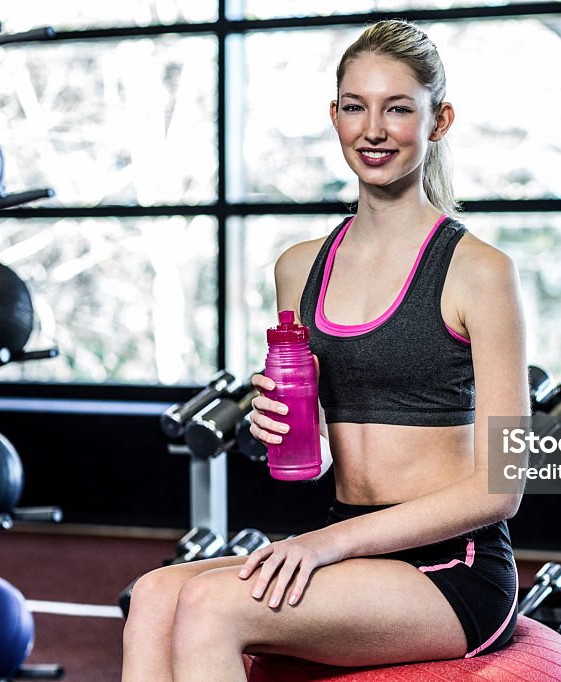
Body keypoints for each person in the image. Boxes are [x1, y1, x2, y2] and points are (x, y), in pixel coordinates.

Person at [122, 19, 529, 681]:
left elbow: (502, 487)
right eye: (354, 106)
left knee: (211, 606)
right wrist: (281, 428)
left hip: (453, 568)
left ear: (439, 119)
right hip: (352, 550)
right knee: (153, 595)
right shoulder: (298, 268)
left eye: (399, 108)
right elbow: (309, 465)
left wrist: (323, 545)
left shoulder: (480, 270)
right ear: (333, 115)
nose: (373, 129)